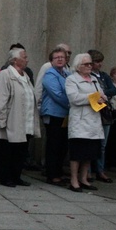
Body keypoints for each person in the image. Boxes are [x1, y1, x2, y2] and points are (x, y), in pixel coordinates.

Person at [0, 47, 40, 187]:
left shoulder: (25, 76)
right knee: (7, 152)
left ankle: (16, 176)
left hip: (24, 122)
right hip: (9, 122)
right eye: (24, 57)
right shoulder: (5, 75)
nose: (27, 59)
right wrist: (1, 121)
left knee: (20, 152)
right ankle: (6, 177)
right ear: (15, 60)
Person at [65, 53, 104, 192]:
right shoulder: (71, 80)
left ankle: (84, 178)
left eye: (90, 64)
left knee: (89, 153)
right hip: (80, 121)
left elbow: (101, 94)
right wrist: (93, 98)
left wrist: (102, 97)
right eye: (86, 64)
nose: (89, 66)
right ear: (78, 66)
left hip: (94, 120)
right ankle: (74, 179)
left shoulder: (94, 79)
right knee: (77, 153)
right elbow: (74, 98)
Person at [40, 48, 70, 185]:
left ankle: (59, 171)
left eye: (62, 57)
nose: (59, 59)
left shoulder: (66, 74)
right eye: (56, 57)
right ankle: (52, 174)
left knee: (62, 145)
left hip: (64, 115)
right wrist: (73, 104)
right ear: (51, 60)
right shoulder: (50, 74)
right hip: (53, 114)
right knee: (54, 145)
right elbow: (57, 95)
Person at [88, 49, 116, 182]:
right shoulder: (88, 76)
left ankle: (100, 170)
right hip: (93, 111)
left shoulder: (104, 76)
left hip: (104, 111)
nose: (99, 64)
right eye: (96, 62)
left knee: (103, 145)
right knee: (89, 143)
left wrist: (102, 93)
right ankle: (87, 171)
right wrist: (102, 94)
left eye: (100, 62)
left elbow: (113, 90)